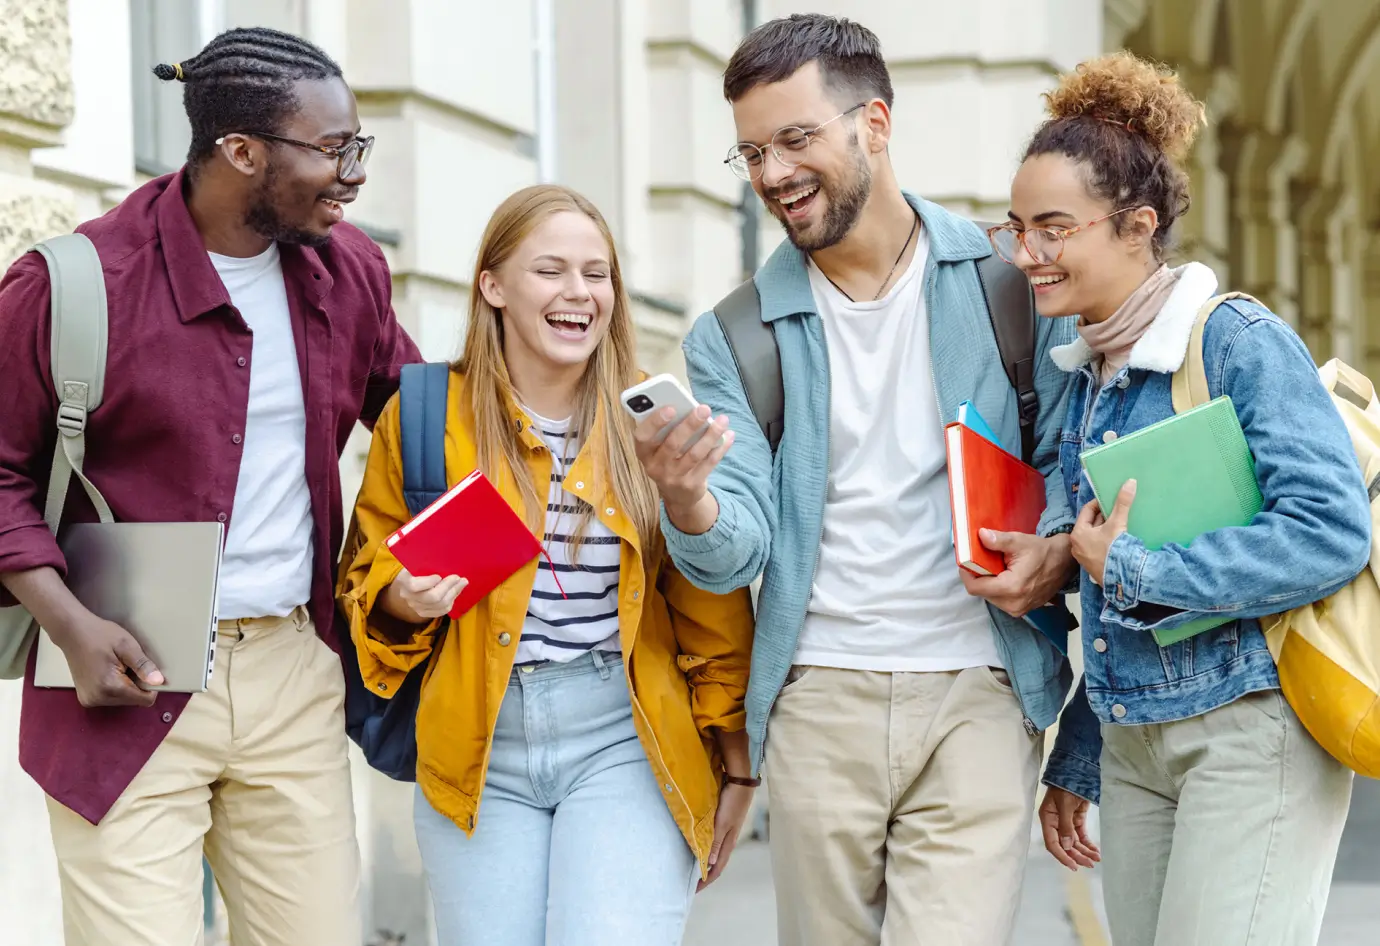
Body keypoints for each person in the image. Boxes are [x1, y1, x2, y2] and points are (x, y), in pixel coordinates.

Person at [633, 14, 1080, 946]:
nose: (773, 174)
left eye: (796, 139)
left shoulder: (1008, 278)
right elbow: (733, 552)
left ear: (874, 123)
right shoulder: (735, 333)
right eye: (752, 152)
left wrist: (1057, 546)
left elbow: (1069, 455)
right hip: (818, 696)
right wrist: (688, 498)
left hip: (979, 687)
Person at [0, 28, 420, 946]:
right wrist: (71, 626)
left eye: (359, 146)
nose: (354, 173)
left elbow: (423, 435)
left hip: (291, 670)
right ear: (241, 151)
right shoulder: (75, 283)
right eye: (334, 148)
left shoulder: (349, 274)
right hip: (121, 677)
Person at [1006, 52, 1370, 946]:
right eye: (1016, 228)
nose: (1028, 254)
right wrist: (1083, 755)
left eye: (1053, 228)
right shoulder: (1088, 376)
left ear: (1135, 226)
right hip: (1137, 741)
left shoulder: (1237, 339)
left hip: (1250, 731)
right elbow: (1106, 595)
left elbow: (1331, 532)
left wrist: (1130, 565)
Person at [338, 183, 757, 946]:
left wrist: (738, 759)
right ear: (492, 286)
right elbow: (364, 586)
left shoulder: (651, 420)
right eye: (551, 271)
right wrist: (404, 599)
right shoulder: (428, 412)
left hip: (624, 735)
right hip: (476, 742)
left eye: (597, 274)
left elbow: (706, 599)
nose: (579, 294)